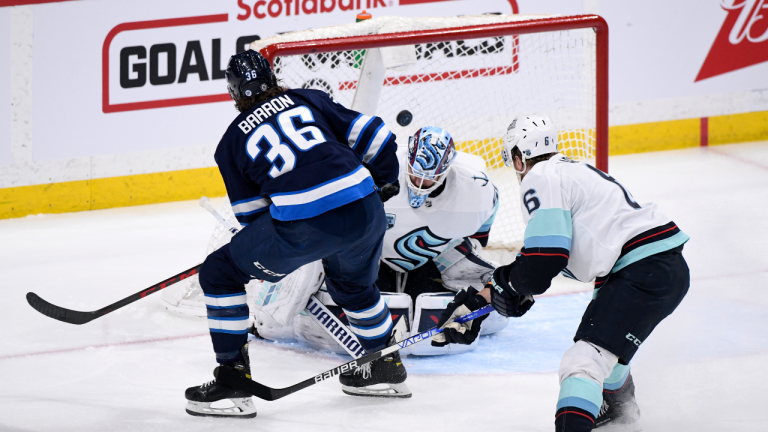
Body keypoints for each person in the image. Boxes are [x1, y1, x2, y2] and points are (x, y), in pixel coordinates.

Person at [434, 114, 690, 432]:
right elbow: (539, 263)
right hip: (653, 267)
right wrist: (482, 300)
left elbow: (544, 261)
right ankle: (622, 411)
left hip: (643, 269)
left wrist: (507, 288)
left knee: (582, 362)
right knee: (605, 357)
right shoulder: (569, 169)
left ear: (517, 158)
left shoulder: (539, 177)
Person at [184, 49, 405, 418]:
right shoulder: (306, 98)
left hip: (306, 226)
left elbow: (251, 218)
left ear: (234, 93)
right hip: (366, 209)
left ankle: (233, 383)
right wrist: (383, 181)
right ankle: (384, 366)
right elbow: (376, 135)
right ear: (272, 78)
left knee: (219, 273)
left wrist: (290, 246)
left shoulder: (231, 143)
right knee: (352, 287)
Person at [249, 126, 508, 358]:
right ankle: (270, 316)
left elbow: (489, 210)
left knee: (496, 288)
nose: (419, 184)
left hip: (431, 255)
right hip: (371, 253)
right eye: (415, 175)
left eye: (428, 179)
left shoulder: (475, 184)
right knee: (320, 270)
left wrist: (477, 241)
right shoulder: (376, 167)